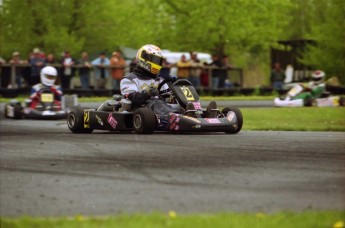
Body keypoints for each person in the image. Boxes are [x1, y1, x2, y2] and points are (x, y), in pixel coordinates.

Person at [120, 44, 218, 117]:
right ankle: (182, 117)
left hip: (162, 108)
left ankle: (202, 114)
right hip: (143, 110)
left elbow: (166, 97)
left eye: (158, 61)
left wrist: (173, 95)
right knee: (155, 101)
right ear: (143, 59)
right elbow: (134, 98)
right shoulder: (129, 80)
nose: (156, 63)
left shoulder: (160, 80)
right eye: (154, 60)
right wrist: (148, 93)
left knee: (178, 102)